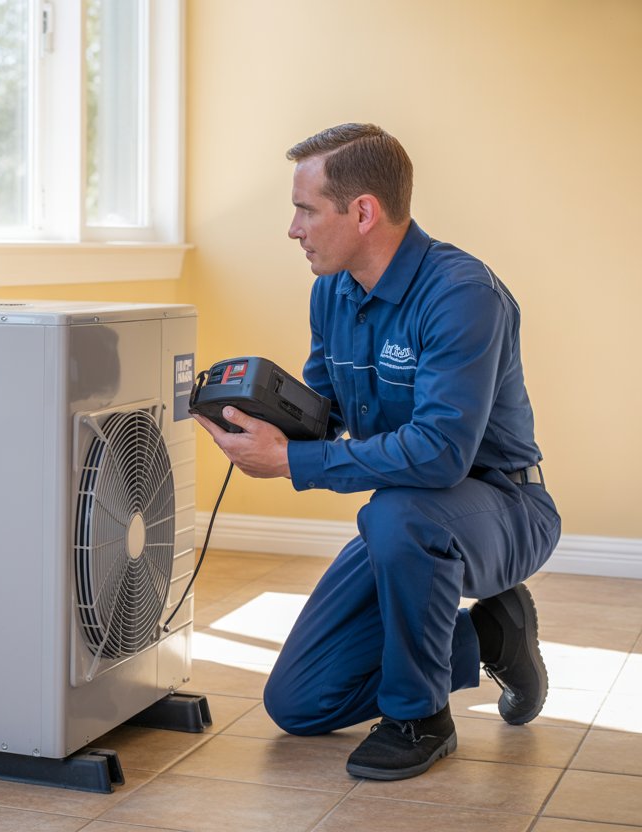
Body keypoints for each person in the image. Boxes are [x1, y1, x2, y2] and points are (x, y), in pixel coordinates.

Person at [193, 123, 561, 781]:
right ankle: (492, 636)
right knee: (300, 701)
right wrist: (258, 414)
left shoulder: (460, 295)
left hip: (504, 507)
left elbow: (442, 455)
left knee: (397, 515)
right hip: (409, 523)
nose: (293, 228)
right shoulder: (331, 290)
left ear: (363, 212)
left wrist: (291, 463)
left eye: (305, 210)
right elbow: (327, 413)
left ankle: (419, 718)